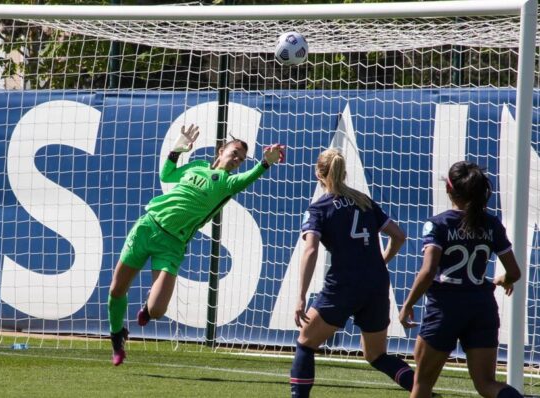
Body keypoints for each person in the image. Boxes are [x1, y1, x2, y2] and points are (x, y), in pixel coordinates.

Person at [108, 124, 285, 366]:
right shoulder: (198, 166)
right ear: (221, 150)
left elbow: (250, 176)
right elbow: (166, 175)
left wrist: (265, 162)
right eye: (234, 153)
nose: (237, 160)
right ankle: (117, 336)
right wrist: (177, 150)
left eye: (242, 159)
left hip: (172, 245)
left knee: (158, 311)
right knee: (117, 290)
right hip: (146, 228)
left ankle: (148, 309)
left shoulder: (227, 183)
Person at [290, 148, 414, 397]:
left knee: (306, 342)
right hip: (376, 283)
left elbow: (311, 250)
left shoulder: (319, 208)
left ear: (318, 173)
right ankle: (421, 388)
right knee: (376, 354)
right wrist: (381, 261)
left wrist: (301, 295)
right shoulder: (364, 201)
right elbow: (399, 236)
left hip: (344, 284)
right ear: (344, 172)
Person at [399, 161, 523, 398]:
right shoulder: (491, 224)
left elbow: (428, 271)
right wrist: (504, 279)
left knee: (422, 384)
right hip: (482, 308)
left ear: (449, 189)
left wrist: (407, 305)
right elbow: (515, 272)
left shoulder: (438, 224)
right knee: (487, 384)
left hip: (444, 309)